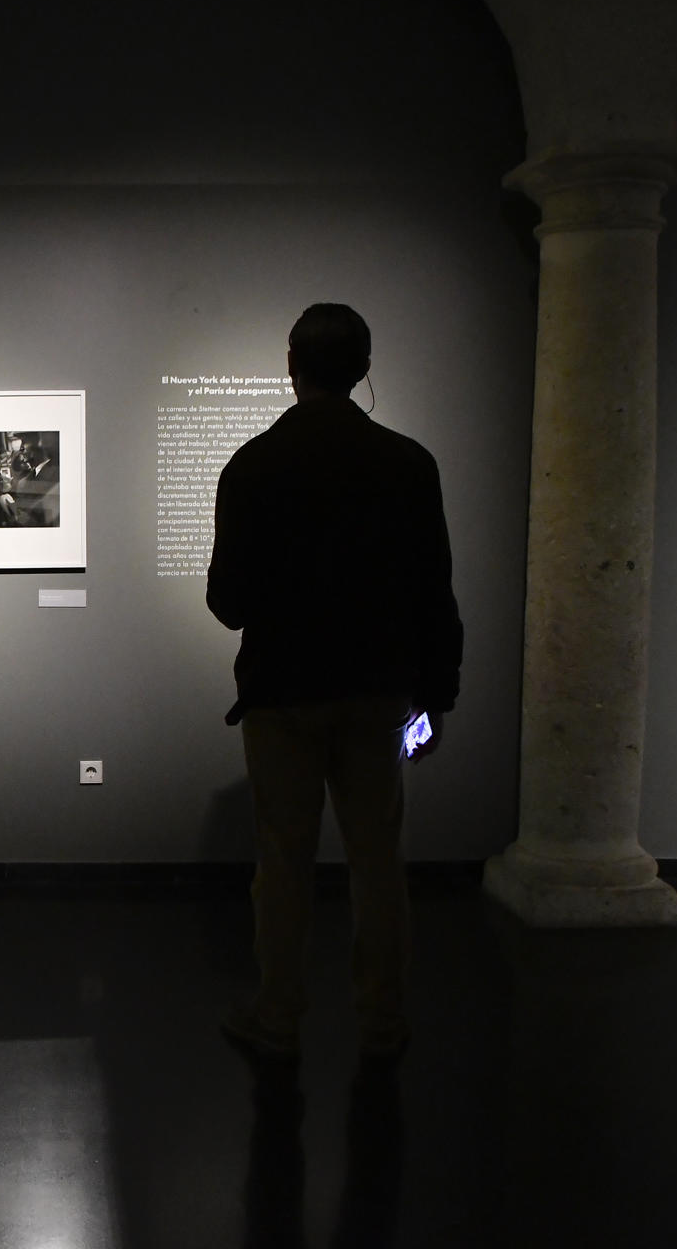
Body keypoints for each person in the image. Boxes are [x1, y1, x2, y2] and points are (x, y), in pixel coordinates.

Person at [206, 303, 462, 1064]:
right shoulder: (408, 463)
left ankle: (278, 1014)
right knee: (377, 859)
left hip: (284, 692)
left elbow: (228, 605)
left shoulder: (253, 464)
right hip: (378, 688)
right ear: (364, 366)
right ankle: (382, 1020)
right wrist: (438, 694)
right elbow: (433, 592)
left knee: (283, 858)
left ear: (293, 364)